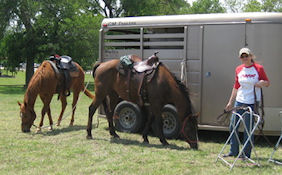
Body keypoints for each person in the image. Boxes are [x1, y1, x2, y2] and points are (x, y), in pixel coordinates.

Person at [224, 47, 270, 158]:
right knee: (233, 126)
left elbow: (267, 83)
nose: (245, 58)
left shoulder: (258, 68)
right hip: (239, 101)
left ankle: (246, 153)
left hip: (252, 102)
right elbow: (236, 87)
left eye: (246, 56)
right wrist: (230, 102)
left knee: (248, 129)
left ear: (250, 56)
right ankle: (233, 151)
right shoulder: (239, 69)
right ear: (240, 58)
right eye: (242, 56)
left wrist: (261, 83)